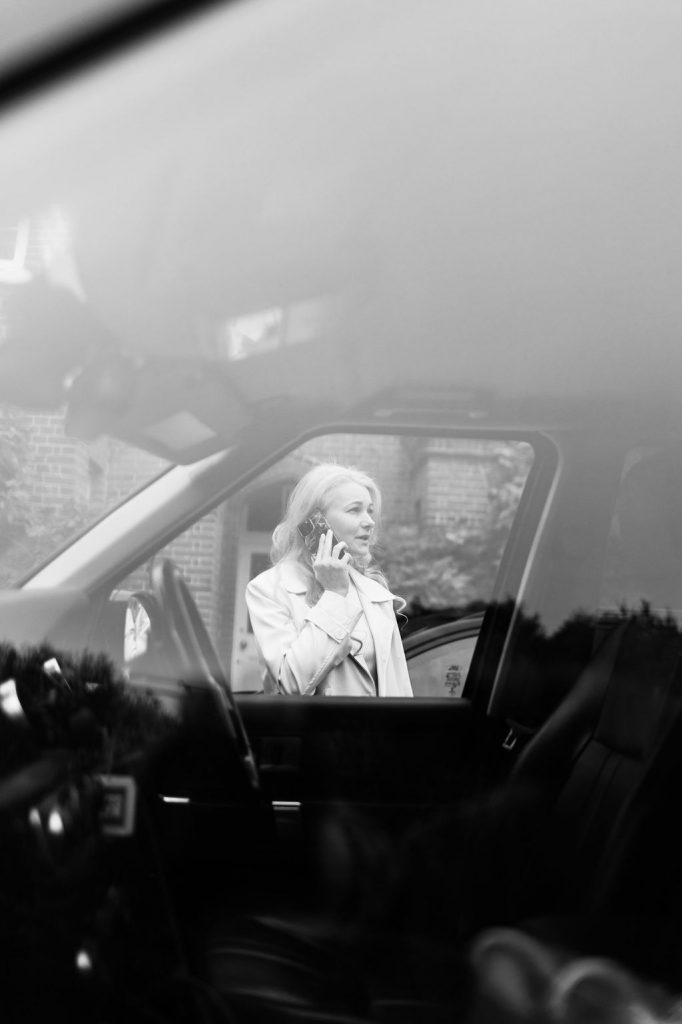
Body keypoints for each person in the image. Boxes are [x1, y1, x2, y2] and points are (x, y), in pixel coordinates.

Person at [245, 463, 413, 697]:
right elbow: (289, 685)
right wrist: (334, 594)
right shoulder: (268, 589)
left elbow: (400, 691)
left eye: (369, 511)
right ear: (314, 521)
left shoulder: (374, 593)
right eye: (354, 510)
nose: (369, 521)